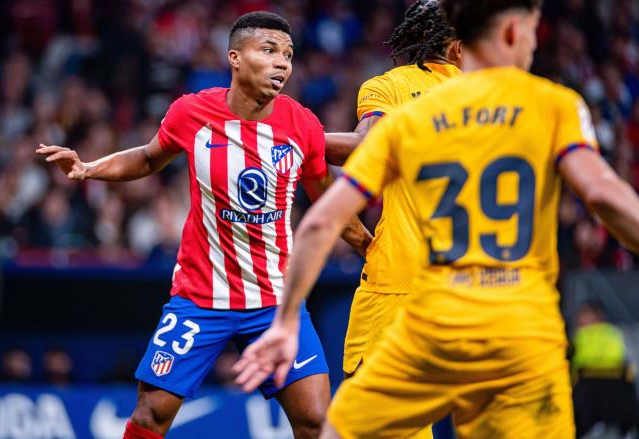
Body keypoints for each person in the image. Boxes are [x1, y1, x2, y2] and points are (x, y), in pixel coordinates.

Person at [233, 1, 639, 438]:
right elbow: (601, 192)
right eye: (528, 30)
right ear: (484, 37)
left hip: (407, 301)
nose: (533, 41)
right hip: (516, 315)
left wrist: (287, 317)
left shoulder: (405, 107)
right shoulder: (551, 102)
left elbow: (324, 214)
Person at [38, 11, 371, 439]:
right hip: (201, 298)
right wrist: (88, 168)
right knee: (150, 414)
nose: (282, 63)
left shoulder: (301, 123)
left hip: (275, 300)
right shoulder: (193, 113)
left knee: (315, 422)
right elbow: (146, 158)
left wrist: (366, 243)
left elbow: (326, 194)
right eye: (268, 51)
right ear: (234, 57)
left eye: (288, 54)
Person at [326, 2, 461, 437]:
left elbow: (366, 146)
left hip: (401, 281)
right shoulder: (506, 97)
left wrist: (287, 132)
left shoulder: (391, 87)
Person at [570, 302, 638, 438]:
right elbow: (630, 364)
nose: (579, 321)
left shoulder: (579, 336)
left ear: (597, 317)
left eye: (584, 316)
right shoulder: (616, 334)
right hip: (619, 392)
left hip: (587, 391)